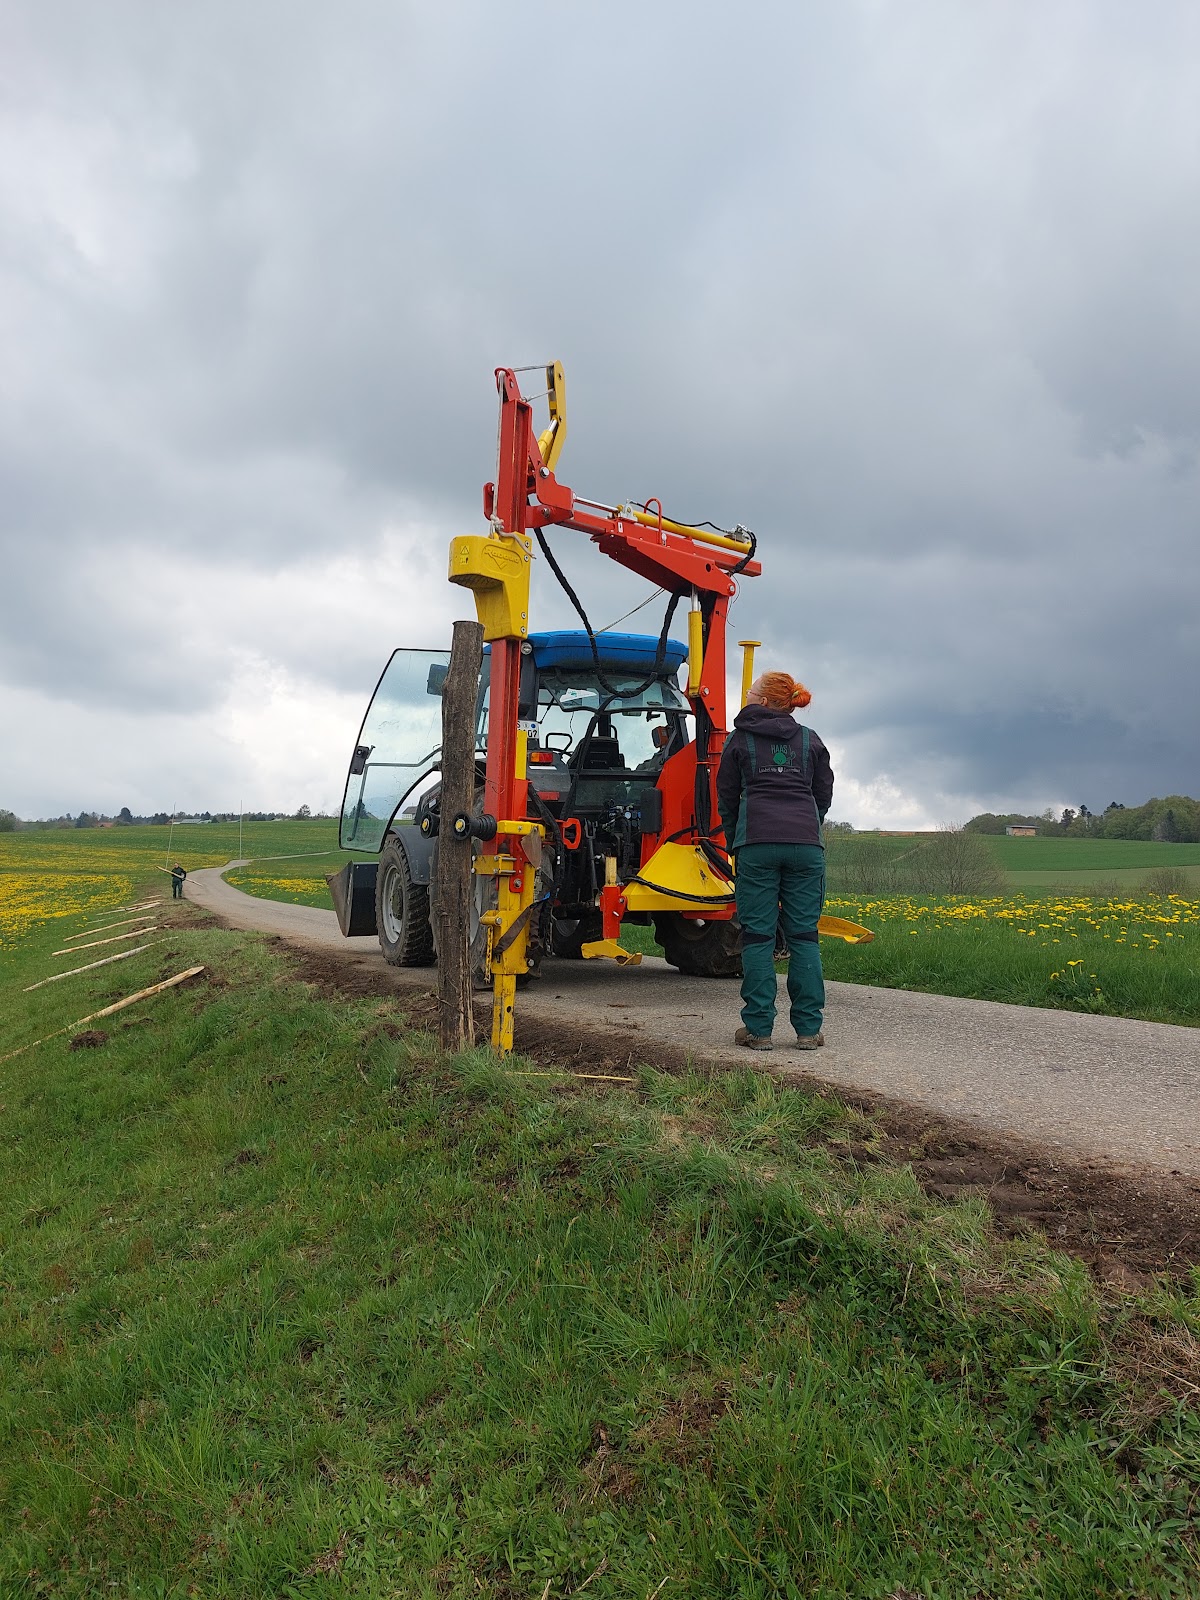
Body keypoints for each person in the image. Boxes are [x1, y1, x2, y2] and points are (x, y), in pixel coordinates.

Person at [716, 671, 834, 1051]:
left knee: (758, 937)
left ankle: (759, 1030)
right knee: (804, 936)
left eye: (751, 691)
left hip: (756, 844)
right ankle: (808, 1031)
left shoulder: (738, 739)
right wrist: (807, 827)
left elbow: (726, 797)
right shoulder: (810, 739)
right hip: (805, 846)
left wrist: (737, 839)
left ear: (764, 701)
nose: (747, 695)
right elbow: (823, 794)